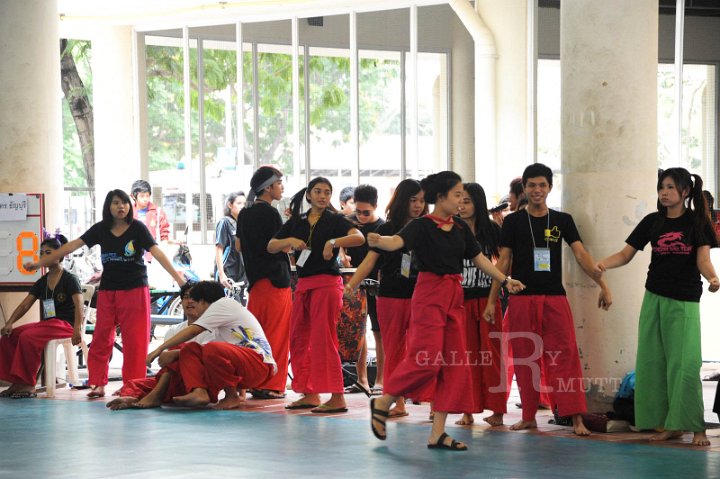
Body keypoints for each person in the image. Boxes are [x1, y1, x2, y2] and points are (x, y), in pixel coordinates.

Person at [368, 171, 525, 451]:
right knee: (425, 359)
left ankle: (437, 433)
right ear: (440, 197)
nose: (461, 200)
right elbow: (395, 242)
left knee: (454, 365)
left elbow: (479, 260)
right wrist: (379, 240)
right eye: (456, 195)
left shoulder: (461, 229)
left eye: (463, 196)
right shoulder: (421, 226)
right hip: (429, 295)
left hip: (454, 296)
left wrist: (505, 280)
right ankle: (384, 401)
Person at [487, 163, 611, 436]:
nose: (537, 190)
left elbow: (581, 255)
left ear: (550, 188)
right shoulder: (512, 221)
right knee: (523, 358)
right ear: (525, 189)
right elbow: (504, 261)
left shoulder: (562, 220)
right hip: (521, 298)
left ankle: (576, 417)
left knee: (565, 357)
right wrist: (490, 302)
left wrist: (602, 284)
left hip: (555, 298)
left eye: (542, 185)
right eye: (531, 185)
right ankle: (529, 415)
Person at [24, 189, 186, 399]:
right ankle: (98, 383)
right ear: (108, 207)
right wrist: (39, 263)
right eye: (116, 203)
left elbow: (157, 252)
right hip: (109, 290)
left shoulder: (138, 228)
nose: (121, 207)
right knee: (101, 338)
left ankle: (132, 386)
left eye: (125, 203)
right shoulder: (101, 229)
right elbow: (71, 247)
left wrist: (181, 280)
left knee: (135, 341)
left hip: (135, 289)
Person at [597, 167, 718, 447]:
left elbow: (703, 259)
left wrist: (712, 277)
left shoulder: (697, 223)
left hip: (684, 301)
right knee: (653, 364)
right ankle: (668, 424)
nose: (664, 192)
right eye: (661, 187)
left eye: (670, 187)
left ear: (685, 192)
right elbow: (626, 254)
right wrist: (603, 263)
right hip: (653, 298)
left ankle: (695, 427)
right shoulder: (653, 221)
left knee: (685, 365)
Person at [268, 177, 364, 413]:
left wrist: (333, 242)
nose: (323, 196)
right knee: (299, 338)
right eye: (318, 191)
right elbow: (271, 245)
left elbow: (358, 238)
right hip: (303, 285)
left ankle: (337, 396)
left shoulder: (335, 219)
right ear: (309, 195)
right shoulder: (297, 221)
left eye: (327, 192)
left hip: (327, 285)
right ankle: (310, 392)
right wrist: (289, 240)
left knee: (324, 339)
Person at [345, 179, 427, 418]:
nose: (418, 205)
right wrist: (352, 284)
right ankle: (398, 402)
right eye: (413, 200)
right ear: (402, 200)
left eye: (422, 200)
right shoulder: (386, 229)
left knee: (424, 349)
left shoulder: (428, 227)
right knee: (393, 351)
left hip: (422, 296)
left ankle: (432, 401)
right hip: (390, 296)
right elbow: (369, 261)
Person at [146, 281, 277, 410]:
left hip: (261, 365)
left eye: (196, 303)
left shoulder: (225, 304)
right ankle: (199, 391)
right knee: (190, 349)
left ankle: (231, 396)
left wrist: (159, 349)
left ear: (202, 301)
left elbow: (193, 331)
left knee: (211, 349)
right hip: (247, 370)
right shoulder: (217, 325)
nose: (195, 309)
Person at [105, 281, 215, 410]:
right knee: (134, 384)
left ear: (204, 302)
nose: (190, 301)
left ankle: (155, 396)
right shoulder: (174, 330)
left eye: (195, 298)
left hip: (202, 381)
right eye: (186, 297)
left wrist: (177, 353)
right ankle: (133, 398)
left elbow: (208, 358)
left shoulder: (213, 329)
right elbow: (167, 366)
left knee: (181, 350)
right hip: (176, 380)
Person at [0, 234, 83, 399]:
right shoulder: (42, 282)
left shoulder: (70, 279)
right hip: (48, 325)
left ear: (60, 254)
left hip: (65, 325)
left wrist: (77, 330)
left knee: (28, 337)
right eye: (41, 253)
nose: (43, 256)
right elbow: (25, 304)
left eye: (48, 253)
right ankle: (16, 382)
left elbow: (79, 306)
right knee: (10, 336)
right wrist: (9, 323)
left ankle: (29, 384)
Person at [237, 166, 292, 400]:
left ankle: (254, 381)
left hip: (256, 283)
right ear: (268, 187)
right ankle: (272, 384)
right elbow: (282, 245)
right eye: (279, 183)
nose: (281, 187)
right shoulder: (270, 213)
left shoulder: (245, 213)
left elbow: (239, 246)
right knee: (277, 335)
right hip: (275, 281)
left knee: (256, 335)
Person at [455, 182, 506, 427]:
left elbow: (504, 262)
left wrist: (493, 299)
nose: (462, 206)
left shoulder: (492, 230)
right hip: (461, 302)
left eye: (467, 201)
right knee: (466, 358)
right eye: (459, 201)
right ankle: (467, 410)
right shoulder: (451, 229)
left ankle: (497, 410)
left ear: (478, 203)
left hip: (488, 300)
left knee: (492, 356)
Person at [343, 184, 385, 395]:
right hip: (354, 285)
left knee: (379, 333)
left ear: (376, 206)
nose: (360, 216)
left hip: (377, 287)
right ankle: (361, 380)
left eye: (366, 212)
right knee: (358, 332)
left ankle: (380, 380)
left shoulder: (383, 228)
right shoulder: (349, 224)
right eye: (357, 211)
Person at [214, 191, 247, 294]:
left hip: (241, 273)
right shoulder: (225, 222)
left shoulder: (242, 224)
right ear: (230, 205)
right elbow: (219, 248)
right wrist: (222, 274)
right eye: (239, 203)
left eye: (244, 204)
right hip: (228, 273)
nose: (242, 206)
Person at [131, 180, 171, 257]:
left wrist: (163, 252)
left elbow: (164, 234)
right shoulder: (128, 213)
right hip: (133, 256)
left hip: (153, 257)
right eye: (142, 196)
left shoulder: (158, 212)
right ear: (133, 196)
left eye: (147, 195)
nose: (145, 199)